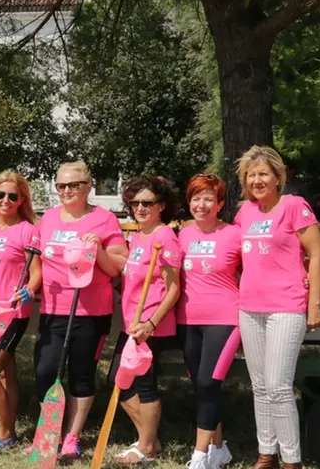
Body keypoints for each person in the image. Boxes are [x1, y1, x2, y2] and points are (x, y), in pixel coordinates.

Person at [234, 146, 320, 469]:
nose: (257, 180)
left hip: (286, 306)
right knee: (259, 386)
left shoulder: (294, 207)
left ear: (277, 176)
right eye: (251, 175)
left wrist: (313, 304)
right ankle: (266, 454)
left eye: (263, 174)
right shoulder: (244, 212)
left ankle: (291, 460)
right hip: (250, 308)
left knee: (278, 386)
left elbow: (316, 254)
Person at [36, 162, 128, 458]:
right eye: (61, 185)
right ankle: (49, 432)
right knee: (46, 371)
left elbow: (119, 265)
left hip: (90, 311)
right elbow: (37, 261)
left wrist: (99, 249)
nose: (66, 191)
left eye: (73, 185)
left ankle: (71, 437)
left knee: (81, 373)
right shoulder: (48, 218)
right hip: (53, 309)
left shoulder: (104, 219)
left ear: (89, 186)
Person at [109, 174, 181, 465]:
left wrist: (151, 323)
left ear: (161, 206)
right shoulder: (139, 236)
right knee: (120, 380)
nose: (140, 208)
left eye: (147, 203)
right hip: (132, 323)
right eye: (135, 202)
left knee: (143, 385)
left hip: (151, 326)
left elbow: (174, 288)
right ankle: (149, 441)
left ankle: (147, 447)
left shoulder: (164, 236)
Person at [177, 174, 241, 469]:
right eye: (195, 198)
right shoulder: (183, 235)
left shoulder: (234, 234)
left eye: (207, 199)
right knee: (199, 385)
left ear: (219, 204)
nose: (200, 205)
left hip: (225, 319)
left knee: (208, 383)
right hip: (188, 319)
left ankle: (199, 456)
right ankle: (219, 447)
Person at [0, 170, 41, 450]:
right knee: (6, 373)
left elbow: (37, 272)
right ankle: (9, 426)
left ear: (21, 199)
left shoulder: (27, 230)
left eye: (12, 196)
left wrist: (29, 290)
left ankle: (5, 434)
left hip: (12, 314)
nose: (5, 200)